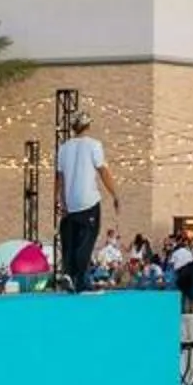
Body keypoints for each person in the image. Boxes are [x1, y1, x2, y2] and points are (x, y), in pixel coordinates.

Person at [53, 110, 116, 293]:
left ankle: (70, 274)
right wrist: (115, 194)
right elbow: (103, 171)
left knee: (71, 240)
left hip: (70, 203)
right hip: (88, 200)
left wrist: (59, 200)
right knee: (87, 240)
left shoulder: (64, 148)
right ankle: (81, 279)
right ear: (88, 126)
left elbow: (60, 178)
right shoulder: (94, 145)